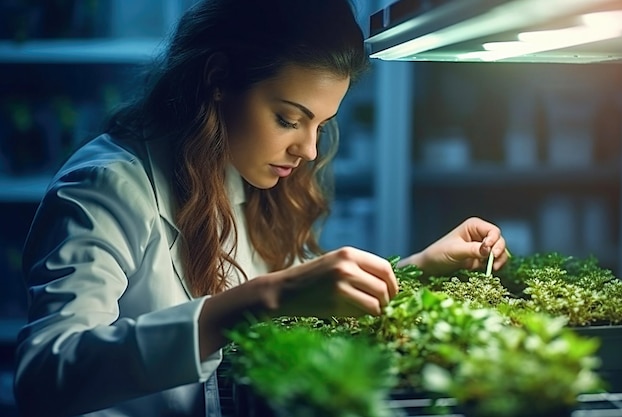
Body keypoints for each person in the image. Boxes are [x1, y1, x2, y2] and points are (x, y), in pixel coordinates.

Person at [13, 0, 508, 416]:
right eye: (289, 119)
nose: (309, 150)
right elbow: (45, 378)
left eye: (321, 125)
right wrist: (258, 301)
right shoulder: (107, 184)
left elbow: (296, 310)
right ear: (218, 79)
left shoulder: (234, 165)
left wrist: (417, 269)